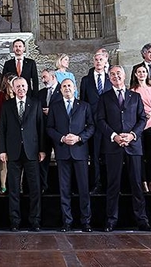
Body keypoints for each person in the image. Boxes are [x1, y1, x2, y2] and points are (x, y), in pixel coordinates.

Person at [95, 65, 151, 232]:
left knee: (136, 184)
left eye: (118, 73)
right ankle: (111, 220)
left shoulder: (135, 96)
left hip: (133, 146)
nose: (115, 77)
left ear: (125, 75)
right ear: (109, 78)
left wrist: (132, 135)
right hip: (113, 146)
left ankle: (142, 219)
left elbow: (142, 119)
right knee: (113, 185)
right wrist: (115, 136)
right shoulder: (104, 98)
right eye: (112, 75)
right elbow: (100, 120)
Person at [46, 78, 95, 232]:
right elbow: (49, 128)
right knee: (64, 189)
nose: (67, 88)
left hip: (79, 151)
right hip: (63, 152)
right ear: (60, 90)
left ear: (75, 89)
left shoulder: (84, 106)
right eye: (64, 86)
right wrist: (61, 138)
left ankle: (85, 221)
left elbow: (91, 126)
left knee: (83, 188)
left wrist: (79, 138)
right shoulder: (55, 107)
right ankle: (67, 221)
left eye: (69, 86)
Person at [0, 77, 45, 231]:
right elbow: (2, 129)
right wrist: (2, 150)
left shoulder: (36, 104)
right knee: (13, 189)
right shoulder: (7, 106)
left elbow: (40, 128)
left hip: (32, 152)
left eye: (23, 86)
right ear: (13, 88)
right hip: (13, 152)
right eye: (18, 86)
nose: (21, 89)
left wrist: (42, 149)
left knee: (35, 188)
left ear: (27, 87)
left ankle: (35, 220)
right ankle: (15, 221)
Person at [80, 48, 110, 193]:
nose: (98, 62)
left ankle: (110, 184)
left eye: (101, 60)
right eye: (96, 60)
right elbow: (83, 103)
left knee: (109, 155)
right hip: (92, 124)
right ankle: (97, 184)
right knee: (95, 155)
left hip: (109, 124)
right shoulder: (86, 80)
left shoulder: (111, 78)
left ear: (106, 62)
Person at [130, 63, 151, 193]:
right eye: (139, 72)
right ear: (136, 75)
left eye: (144, 71)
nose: (142, 74)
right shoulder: (132, 91)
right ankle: (143, 183)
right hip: (138, 126)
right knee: (140, 156)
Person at [37, 68, 62, 193]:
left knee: (61, 160)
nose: (43, 80)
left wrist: (50, 111)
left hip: (59, 131)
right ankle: (44, 186)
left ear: (52, 77)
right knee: (43, 160)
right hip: (44, 132)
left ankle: (61, 186)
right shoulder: (40, 93)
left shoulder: (63, 90)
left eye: (45, 77)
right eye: (42, 77)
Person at [0, 73, 17, 194]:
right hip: (5, 130)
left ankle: (19, 185)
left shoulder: (19, 94)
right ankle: (3, 185)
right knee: (4, 159)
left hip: (18, 132)